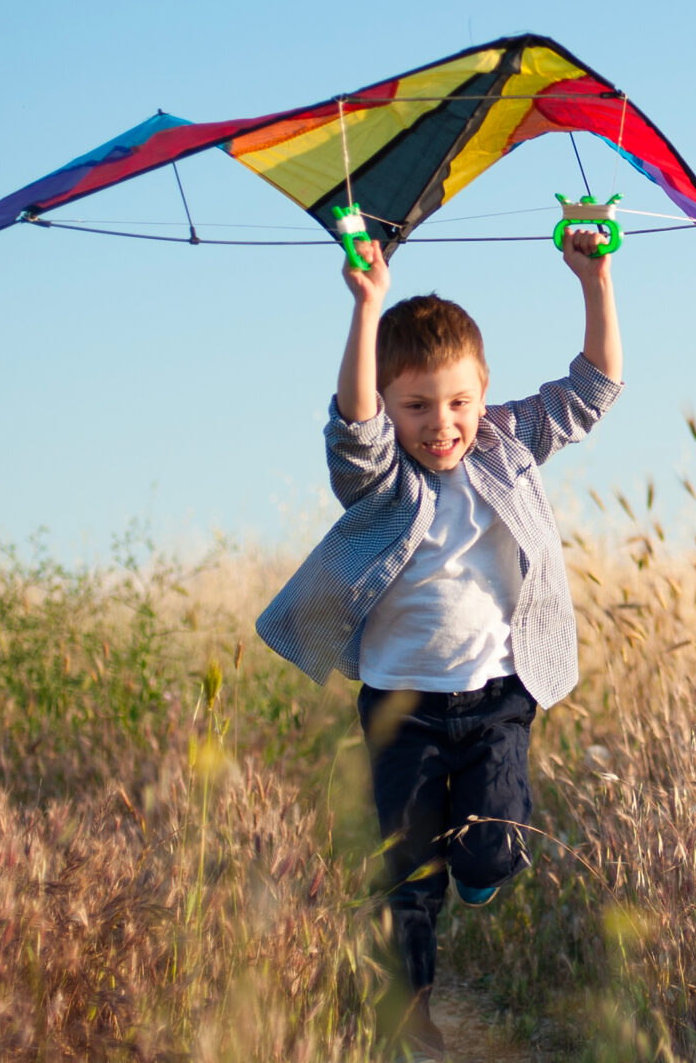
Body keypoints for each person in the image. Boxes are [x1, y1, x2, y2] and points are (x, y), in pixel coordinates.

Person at [254, 226, 622, 1058]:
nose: (441, 424)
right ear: (390, 405)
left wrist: (595, 282)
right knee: (407, 868)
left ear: (483, 392)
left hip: (498, 696)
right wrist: (367, 304)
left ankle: (484, 873)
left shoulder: (506, 442)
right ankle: (409, 1010)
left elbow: (594, 388)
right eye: (415, 406)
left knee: (489, 852)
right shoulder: (382, 474)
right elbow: (352, 428)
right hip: (400, 706)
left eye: (457, 402)